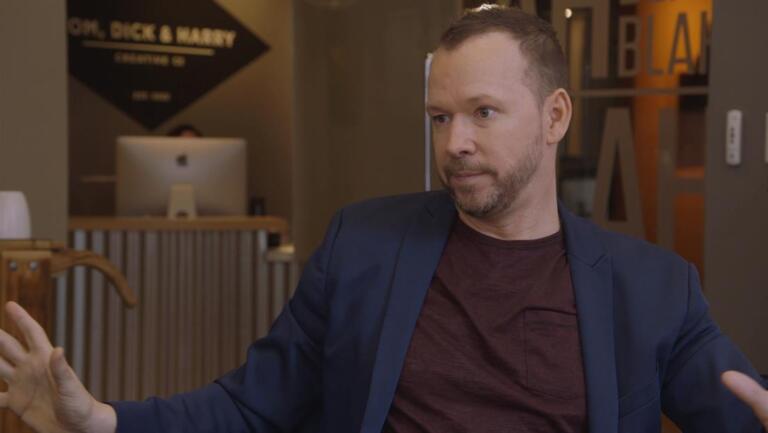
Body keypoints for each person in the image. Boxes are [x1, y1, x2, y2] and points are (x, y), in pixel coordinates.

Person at [1, 5, 768, 433]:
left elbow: (743, 412)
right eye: (439, 117)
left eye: (483, 112)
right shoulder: (363, 247)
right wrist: (100, 419)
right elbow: (249, 404)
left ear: (555, 115)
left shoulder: (653, 288)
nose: (454, 142)